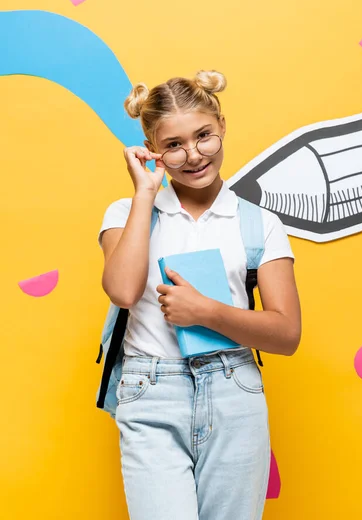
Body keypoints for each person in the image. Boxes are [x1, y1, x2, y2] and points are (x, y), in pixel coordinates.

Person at [98, 70, 301, 520]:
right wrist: (146, 193)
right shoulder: (127, 213)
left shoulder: (259, 223)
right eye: (173, 145)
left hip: (235, 391)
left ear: (222, 126)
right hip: (151, 393)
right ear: (152, 148)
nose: (193, 155)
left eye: (204, 135)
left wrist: (206, 311)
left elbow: (286, 334)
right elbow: (123, 291)